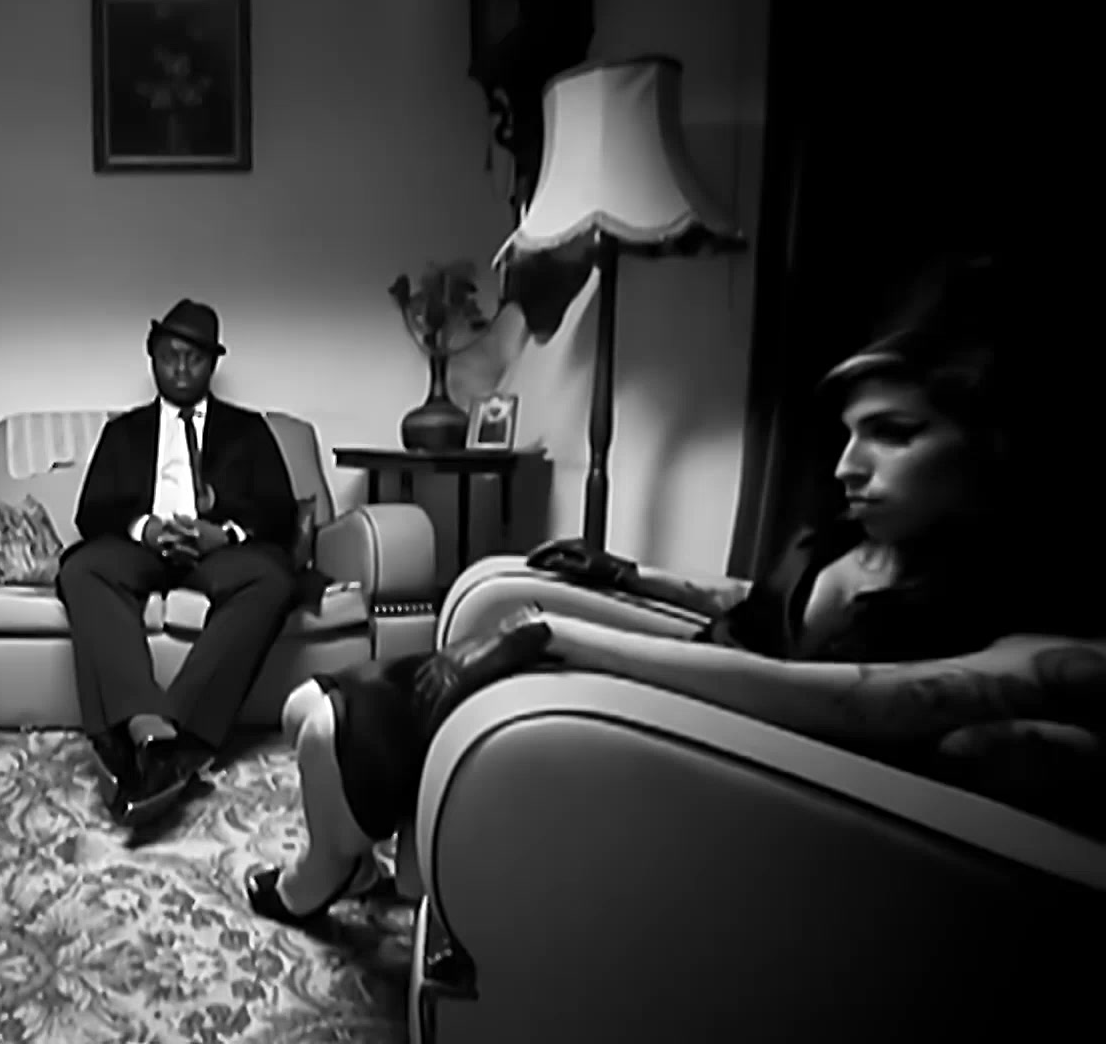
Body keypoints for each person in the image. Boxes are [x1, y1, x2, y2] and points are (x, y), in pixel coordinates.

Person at [246, 255, 1106, 927]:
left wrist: (561, 635)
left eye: (895, 433)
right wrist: (629, 574)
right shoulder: (866, 539)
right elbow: (760, 602)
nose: (849, 465)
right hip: (684, 684)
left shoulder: (1027, 632)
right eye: (850, 434)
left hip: (709, 745)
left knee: (330, 724)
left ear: (991, 444)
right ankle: (359, 860)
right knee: (308, 706)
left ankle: (319, 877)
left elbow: (850, 701)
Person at [60, 299, 303, 829]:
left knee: (272, 578)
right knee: (81, 569)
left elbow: (279, 512)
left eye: (194, 358)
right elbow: (90, 512)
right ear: (152, 357)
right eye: (170, 356)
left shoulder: (248, 430)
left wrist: (226, 533)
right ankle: (145, 722)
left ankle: (169, 743)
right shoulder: (124, 432)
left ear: (212, 364)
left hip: (219, 553)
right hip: (141, 549)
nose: (181, 369)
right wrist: (144, 528)